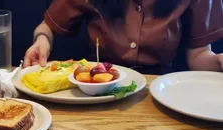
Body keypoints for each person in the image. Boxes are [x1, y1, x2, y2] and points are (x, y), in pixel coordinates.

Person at [24, 0, 223, 74]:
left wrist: (218, 62)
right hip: (95, 84)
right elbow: (47, 27)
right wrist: (41, 40)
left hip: (157, 90)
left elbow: (199, 56)